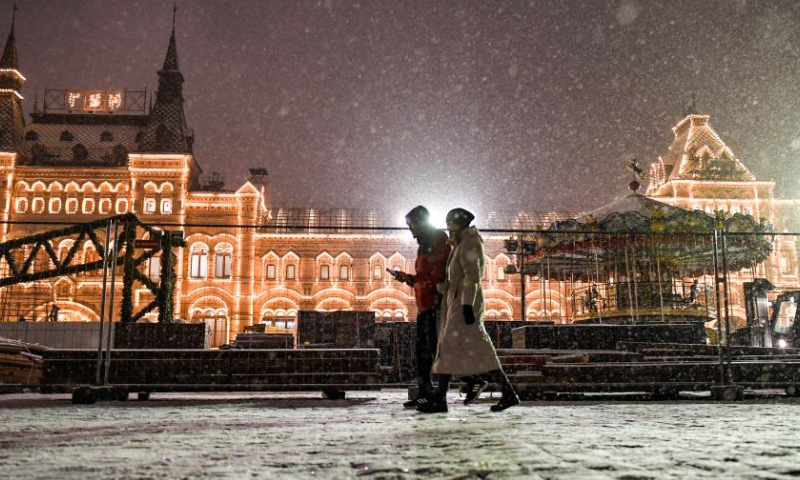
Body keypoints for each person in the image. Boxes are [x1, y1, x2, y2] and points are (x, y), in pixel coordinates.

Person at [418, 208, 520, 413]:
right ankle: (507, 392)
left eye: (450, 224)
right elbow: (456, 279)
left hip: (464, 304)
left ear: (459, 224)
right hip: (456, 301)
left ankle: (441, 399)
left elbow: (472, 277)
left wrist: (466, 305)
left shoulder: (469, 244)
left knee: (454, 345)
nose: (447, 228)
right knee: (461, 347)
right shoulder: (460, 244)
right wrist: (442, 288)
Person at [391, 206, 451, 409]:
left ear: (421, 222)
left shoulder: (438, 239)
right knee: (423, 354)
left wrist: (428, 287)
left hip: (437, 304)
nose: (411, 231)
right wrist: (409, 278)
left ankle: (440, 398)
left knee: (438, 351)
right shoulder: (423, 245)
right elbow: (424, 275)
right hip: (424, 306)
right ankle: (425, 393)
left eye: (412, 225)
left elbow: (440, 270)